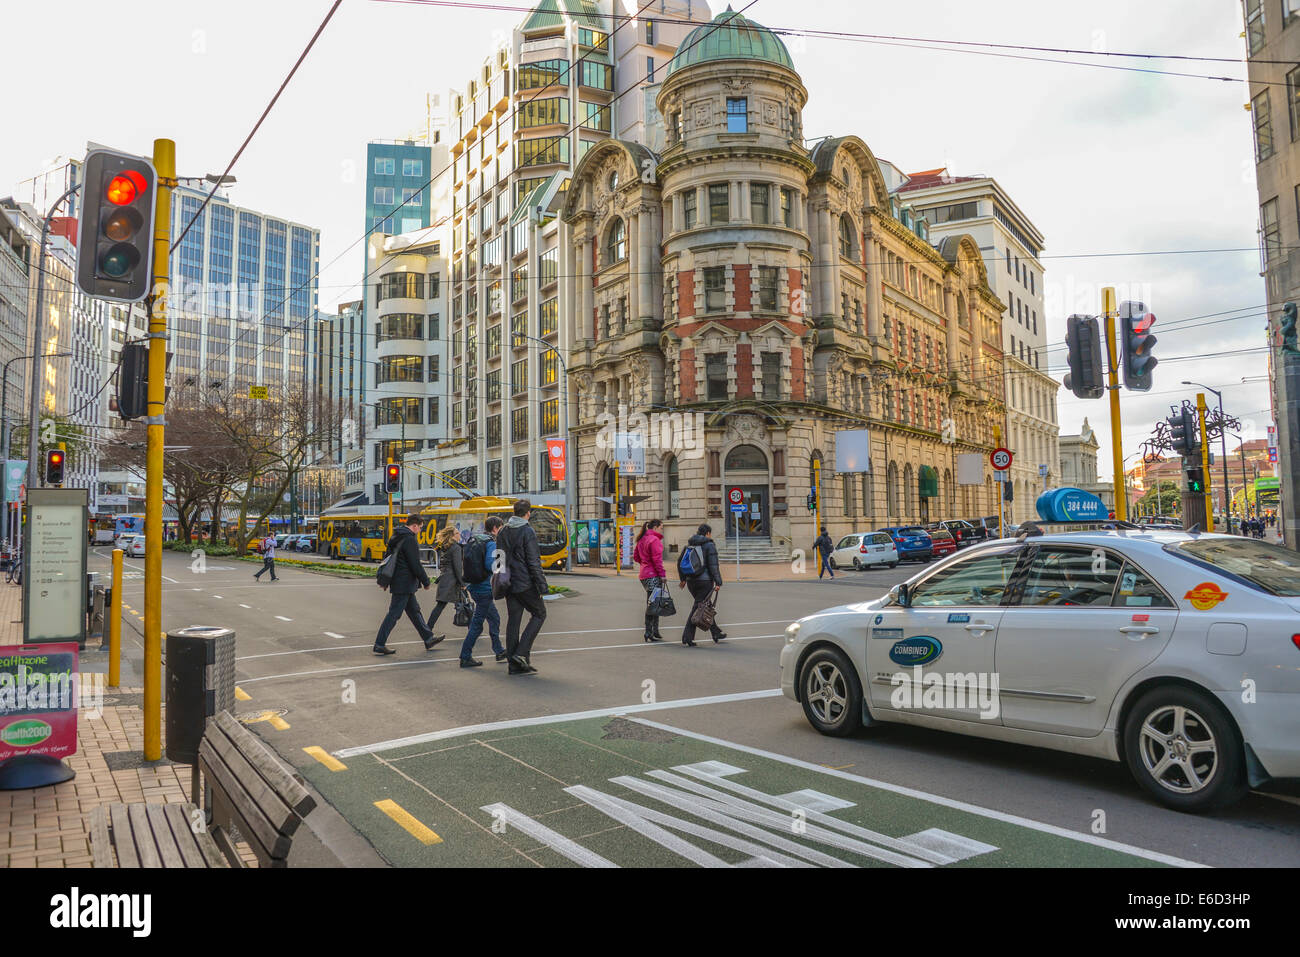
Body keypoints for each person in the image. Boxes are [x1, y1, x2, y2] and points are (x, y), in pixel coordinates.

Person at [373, 514, 442, 656]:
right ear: (415, 526)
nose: (420, 531)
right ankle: (379, 644)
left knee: (414, 611)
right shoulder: (409, 539)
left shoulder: (396, 536)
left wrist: (387, 580)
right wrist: (425, 581)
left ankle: (428, 638)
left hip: (401, 581)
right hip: (404, 582)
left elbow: (388, 559)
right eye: (421, 528)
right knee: (394, 614)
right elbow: (415, 563)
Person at [496, 499, 548, 675]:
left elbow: (498, 559)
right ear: (528, 513)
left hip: (508, 583)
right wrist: (542, 585)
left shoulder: (503, 530)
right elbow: (533, 562)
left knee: (514, 621)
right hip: (525, 583)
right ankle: (521, 653)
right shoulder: (527, 531)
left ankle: (514, 665)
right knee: (540, 614)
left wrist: (501, 579)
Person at [459, 516, 506, 667]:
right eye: (500, 527)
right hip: (484, 587)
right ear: (495, 528)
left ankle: (499, 651)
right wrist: (501, 564)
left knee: (494, 618)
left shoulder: (475, 539)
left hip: (474, 585)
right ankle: (465, 656)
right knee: (477, 624)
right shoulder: (491, 543)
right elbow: (491, 565)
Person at [678, 523, 726, 647]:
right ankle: (687, 637)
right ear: (708, 533)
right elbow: (713, 566)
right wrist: (718, 582)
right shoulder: (709, 545)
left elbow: (679, 562)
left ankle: (715, 632)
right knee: (698, 608)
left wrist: (683, 579)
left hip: (691, 581)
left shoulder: (690, 544)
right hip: (704, 582)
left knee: (705, 605)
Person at [426, 525, 465, 641]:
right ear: (452, 536)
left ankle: (427, 629)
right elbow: (458, 567)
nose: (460, 535)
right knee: (463, 604)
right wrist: (462, 583)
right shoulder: (456, 548)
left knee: (455, 603)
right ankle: (427, 630)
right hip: (452, 581)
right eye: (457, 533)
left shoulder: (445, 547)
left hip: (445, 579)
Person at [633, 519, 667, 642]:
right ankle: (649, 631)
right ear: (656, 527)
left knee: (654, 601)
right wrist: (662, 575)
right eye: (661, 527)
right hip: (653, 576)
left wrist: (644, 564)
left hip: (644, 575)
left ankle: (654, 631)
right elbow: (657, 560)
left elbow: (636, 556)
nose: (662, 530)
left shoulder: (642, 538)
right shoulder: (654, 540)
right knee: (653, 603)